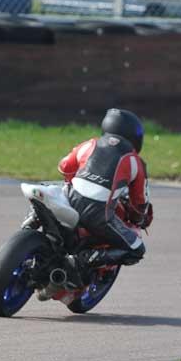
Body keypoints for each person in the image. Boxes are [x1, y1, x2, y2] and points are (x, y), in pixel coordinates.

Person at [57, 108, 154, 281]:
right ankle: (82, 261)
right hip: (98, 215)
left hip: (68, 198)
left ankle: (32, 223)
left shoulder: (89, 144)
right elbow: (139, 203)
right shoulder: (135, 161)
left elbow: (64, 167)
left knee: (51, 192)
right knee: (137, 249)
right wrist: (139, 220)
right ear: (135, 138)